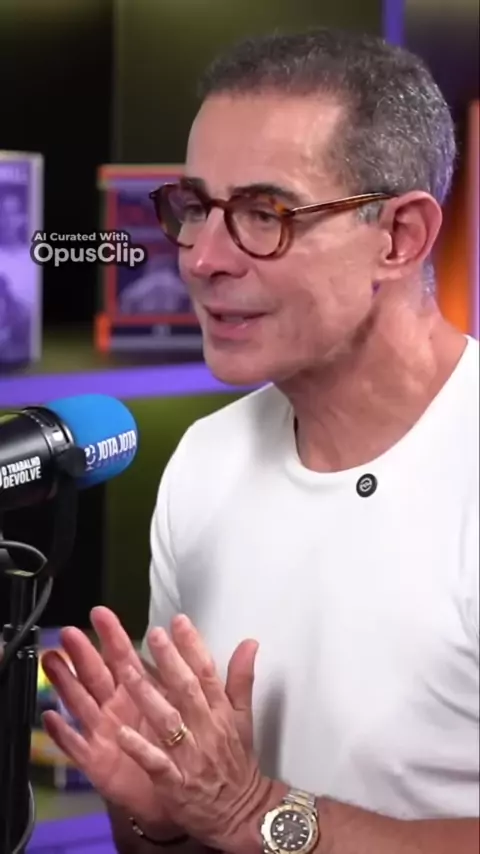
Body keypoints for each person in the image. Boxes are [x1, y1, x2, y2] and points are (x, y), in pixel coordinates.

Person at [41, 27, 479, 854]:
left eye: (262, 215)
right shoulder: (204, 462)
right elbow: (176, 834)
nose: (201, 258)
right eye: (195, 209)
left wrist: (259, 813)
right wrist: (159, 815)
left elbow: (240, 818)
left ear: (400, 237)